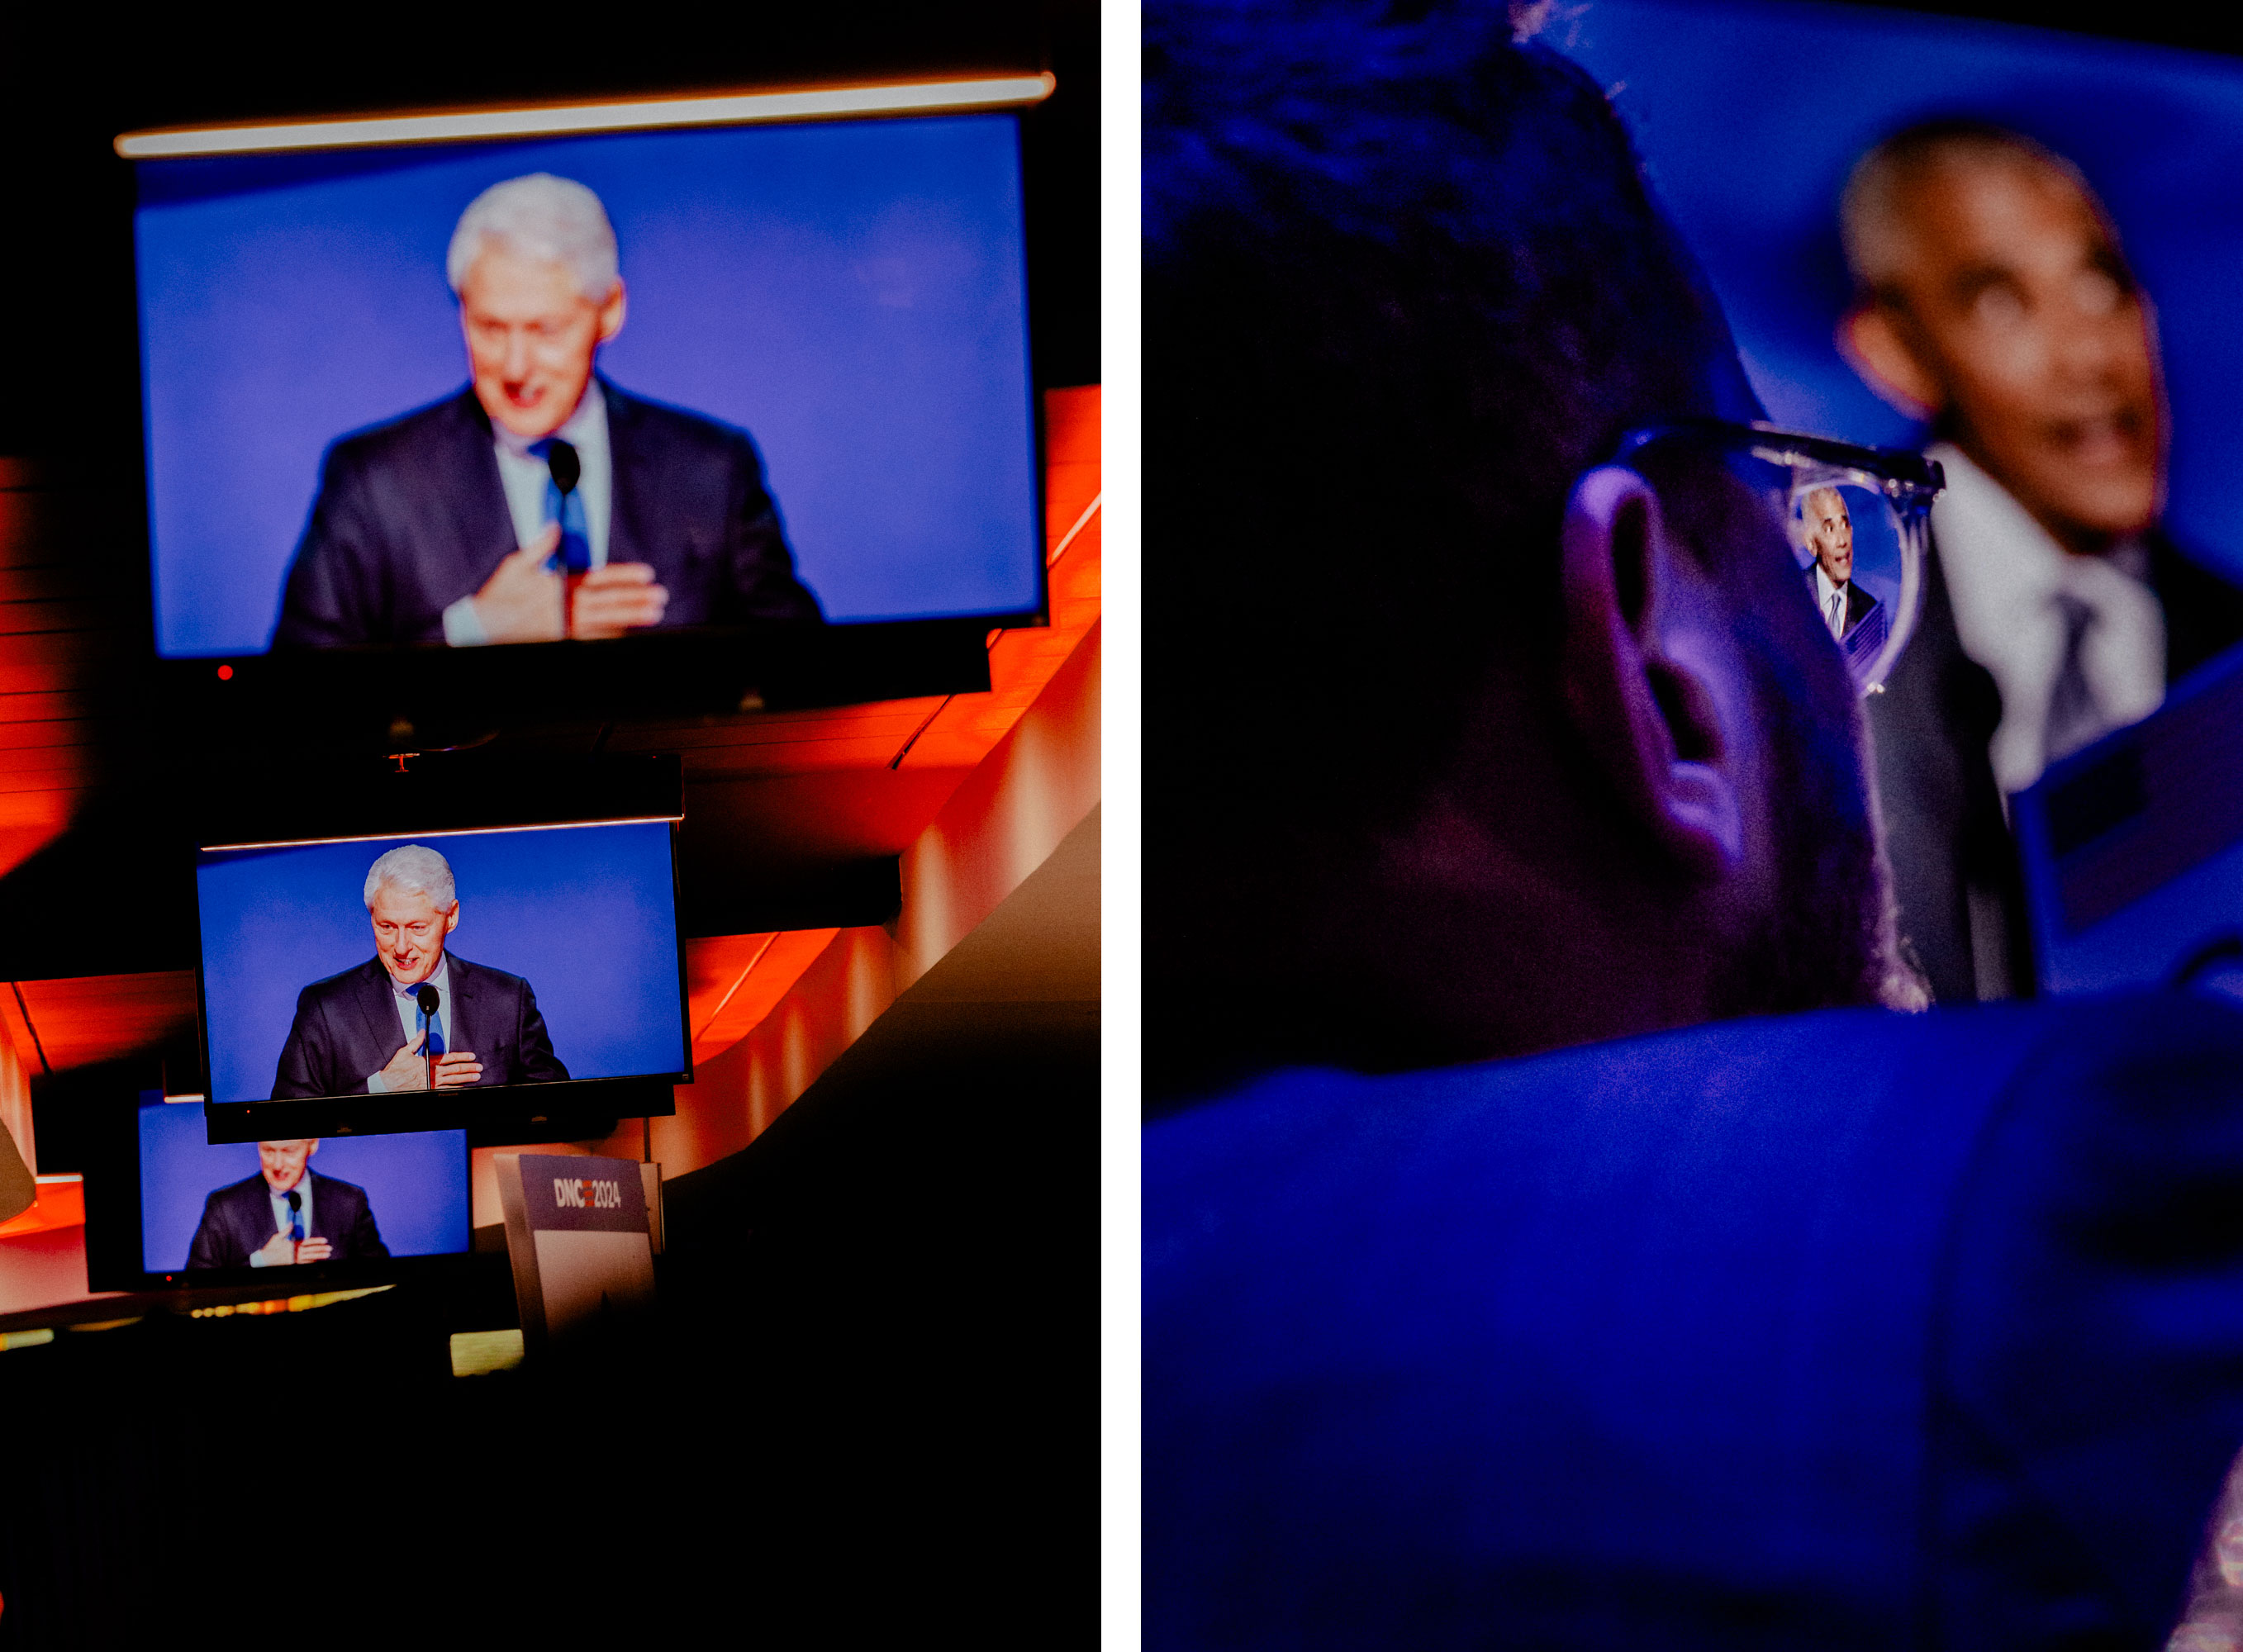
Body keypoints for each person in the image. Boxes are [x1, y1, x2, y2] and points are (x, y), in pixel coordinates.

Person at [1144, 2, 2243, 1645]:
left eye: (2105, 281)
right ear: (1658, 661)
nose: (2091, 358)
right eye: (1808, 556)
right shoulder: (1982, 1265)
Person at [1837, 122, 2243, 999]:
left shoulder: (2232, 641)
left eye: (2102, 286)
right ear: (1895, 353)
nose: (2090, 355)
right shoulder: (1830, 638)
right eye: (2001, 302)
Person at [273, 173, 824, 649]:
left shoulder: (710, 470)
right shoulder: (375, 482)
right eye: (489, 328)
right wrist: (474, 632)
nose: (515, 366)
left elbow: (798, 674)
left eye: (545, 330)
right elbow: (297, 701)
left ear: (609, 310)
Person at [271, 843, 568, 1099]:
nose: (401, 947)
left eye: (417, 927)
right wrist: (381, 1087)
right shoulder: (325, 1008)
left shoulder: (507, 999)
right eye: (386, 927)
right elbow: (285, 1124)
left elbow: (559, 1107)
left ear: (450, 917)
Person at [186, 1137, 387, 1269]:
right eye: (268, 1151)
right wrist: (261, 1262)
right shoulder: (225, 1207)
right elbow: (196, 1284)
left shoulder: (348, 1201)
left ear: (313, 1144)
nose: (278, 1165)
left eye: (289, 1151)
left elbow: (381, 1275)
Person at [1799, 483, 1886, 664]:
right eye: (1830, 529)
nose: (1842, 541)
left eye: (1845, 525)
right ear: (1810, 543)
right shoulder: (1788, 596)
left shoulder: (1870, 611)